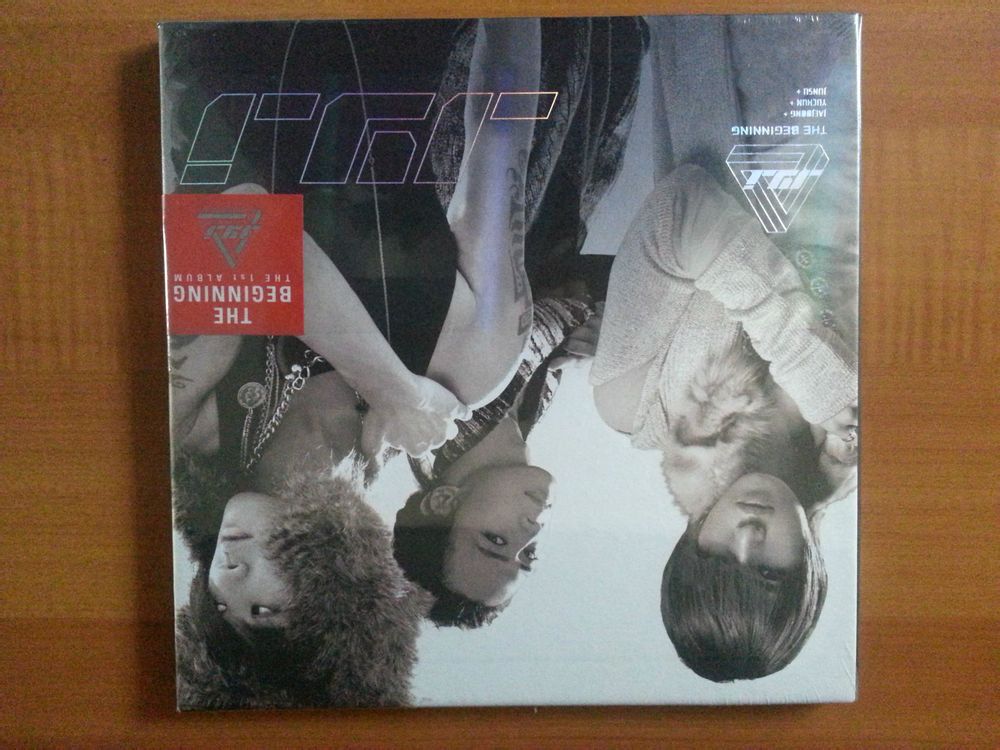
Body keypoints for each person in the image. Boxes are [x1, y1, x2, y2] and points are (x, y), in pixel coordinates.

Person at [168, 19, 548, 707]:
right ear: (354, 602)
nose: (228, 578)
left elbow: (234, 218)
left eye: (215, 605)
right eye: (264, 612)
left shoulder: (187, 433)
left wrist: (389, 385)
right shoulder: (468, 373)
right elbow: (503, 122)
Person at [589, 163, 858, 681]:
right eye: (769, 571)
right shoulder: (859, 441)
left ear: (692, 541)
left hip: (750, 130)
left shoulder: (633, 404)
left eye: (720, 560)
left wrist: (813, 370)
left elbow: (680, 208)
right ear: (809, 563)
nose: (749, 536)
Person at [393, 298, 598, 628]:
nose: (532, 531)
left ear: (444, 501)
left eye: (496, 540)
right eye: (529, 554)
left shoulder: (448, 396)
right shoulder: (529, 410)